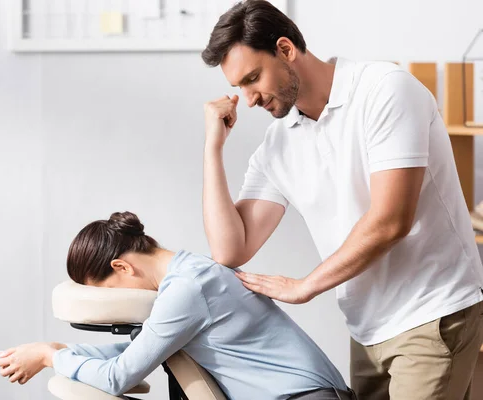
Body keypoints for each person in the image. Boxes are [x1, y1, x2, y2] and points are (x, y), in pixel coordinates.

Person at [199, 1, 483, 399]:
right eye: (239, 88)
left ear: (285, 49)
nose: (249, 100)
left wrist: (306, 287)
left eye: (253, 78)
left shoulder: (385, 90)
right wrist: (213, 148)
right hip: (366, 329)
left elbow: (391, 220)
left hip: (431, 312)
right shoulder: (277, 145)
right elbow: (230, 249)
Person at [0, 211, 354, 400]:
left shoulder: (188, 289)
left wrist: (49, 357)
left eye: (108, 291)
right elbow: (150, 347)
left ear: (121, 267)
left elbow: (120, 375)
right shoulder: (190, 272)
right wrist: (66, 350)